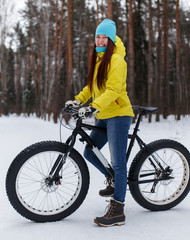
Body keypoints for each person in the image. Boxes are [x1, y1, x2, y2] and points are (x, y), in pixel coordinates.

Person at [65, 19, 134, 227]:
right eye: (98, 36)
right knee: (89, 152)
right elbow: (92, 87)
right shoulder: (99, 60)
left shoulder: (117, 60)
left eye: (104, 37)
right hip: (104, 114)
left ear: (111, 40)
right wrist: (78, 100)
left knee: (119, 162)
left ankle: (118, 210)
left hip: (119, 114)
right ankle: (113, 179)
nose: (100, 39)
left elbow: (113, 90)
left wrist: (94, 106)